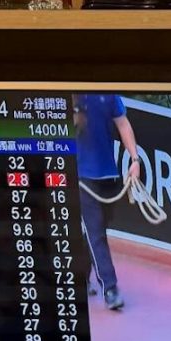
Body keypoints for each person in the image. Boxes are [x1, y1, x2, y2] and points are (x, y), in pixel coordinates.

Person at [74, 92, 140, 312]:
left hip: (108, 174)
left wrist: (135, 159)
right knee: (95, 232)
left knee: (97, 230)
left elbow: (123, 124)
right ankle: (110, 288)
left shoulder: (109, 94)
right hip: (82, 175)